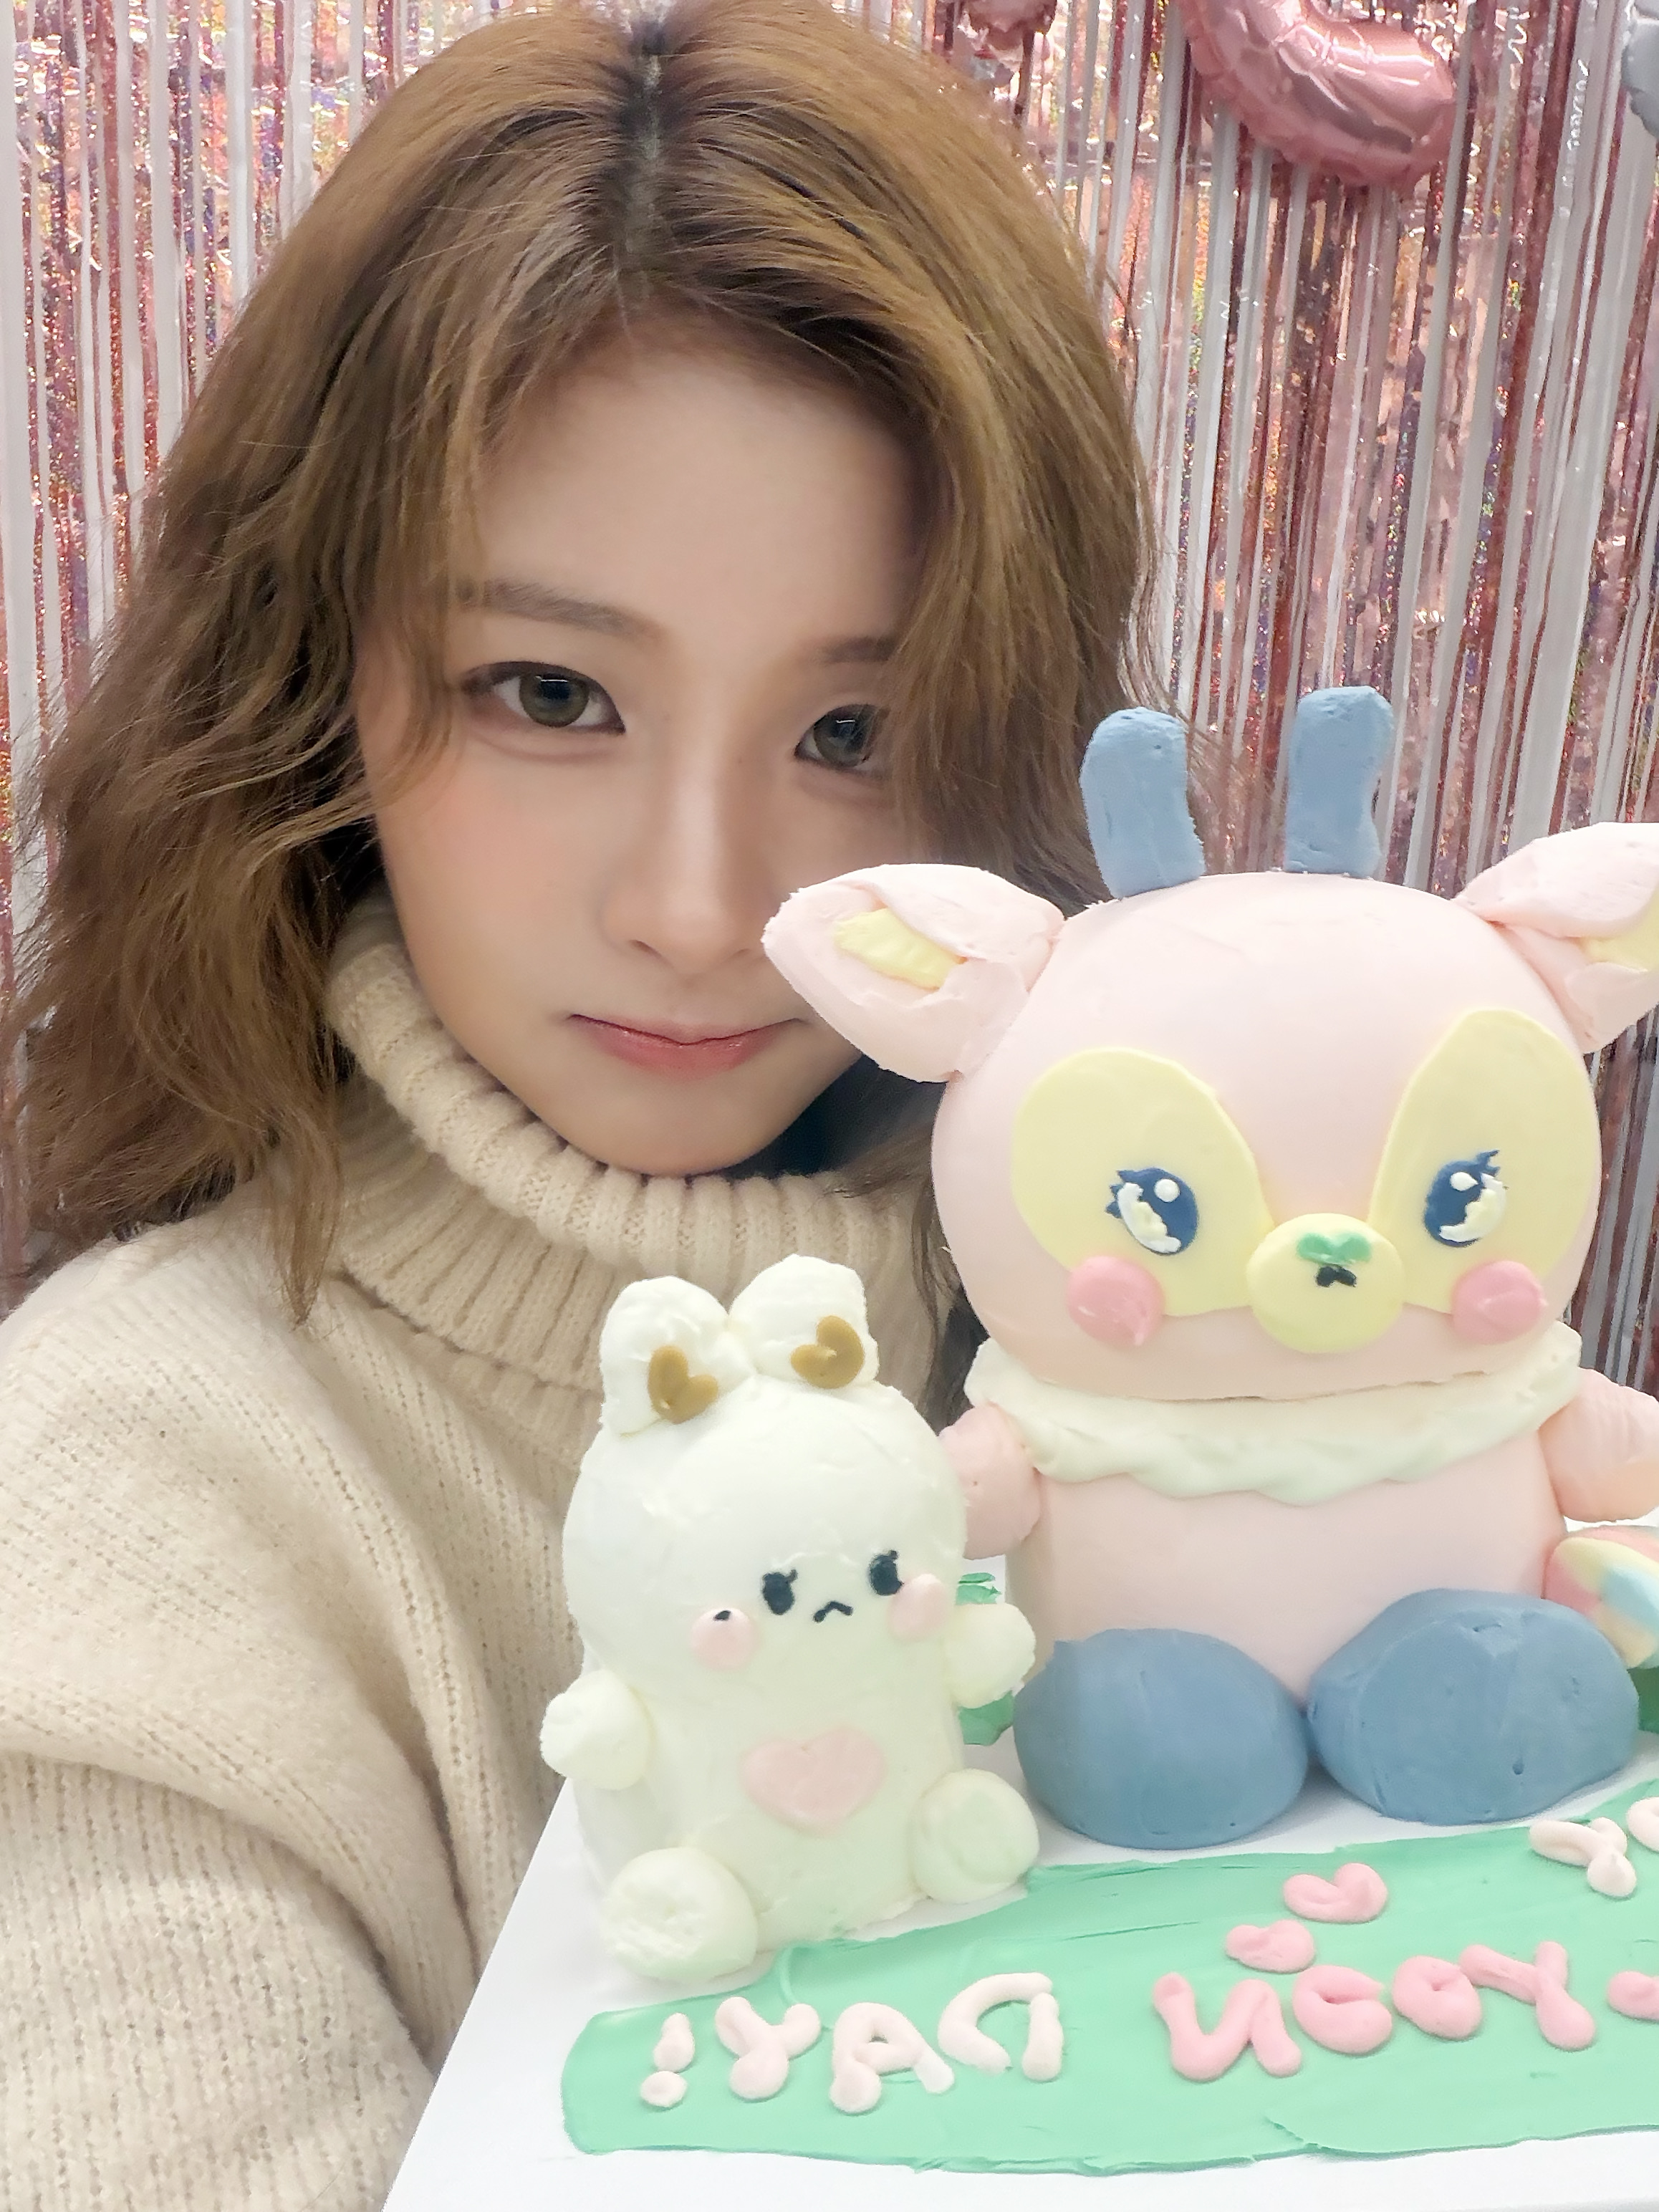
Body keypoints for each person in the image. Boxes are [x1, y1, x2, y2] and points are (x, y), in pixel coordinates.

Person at [0, 0, 1149, 2200]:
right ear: (309, 687)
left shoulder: (1153, 1331)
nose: (700, 910)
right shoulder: (119, 1504)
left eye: (851, 731)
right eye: (551, 692)